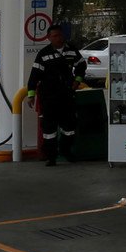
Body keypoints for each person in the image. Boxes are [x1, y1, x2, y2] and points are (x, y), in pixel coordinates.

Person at [27, 28, 86, 165]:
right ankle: (51, 156)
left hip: (67, 95)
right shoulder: (43, 54)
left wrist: (77, 80)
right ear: (49, 38)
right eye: (54, 36)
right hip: (49, 96)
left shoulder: (71, 50)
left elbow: (81, 65)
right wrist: (31, 94)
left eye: (60, 35)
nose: (58, 38)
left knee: (69, 126)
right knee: (49, 129)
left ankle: (66, 151)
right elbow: (35, 75)